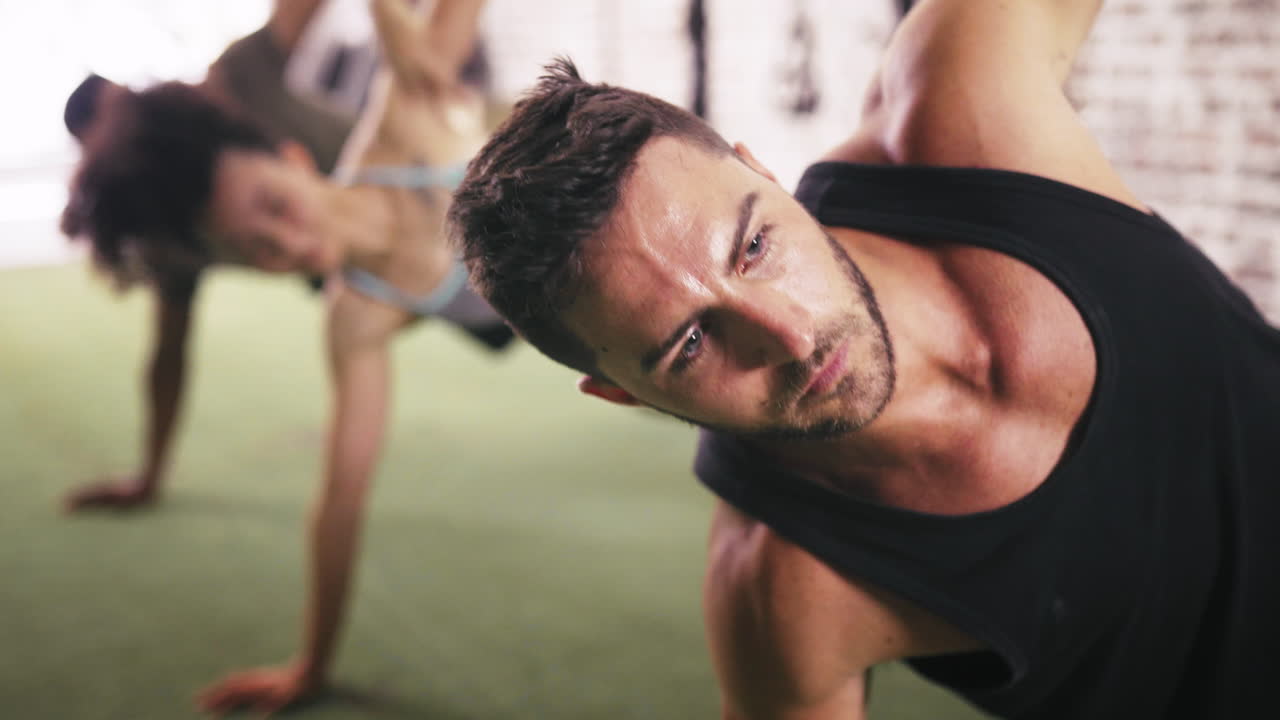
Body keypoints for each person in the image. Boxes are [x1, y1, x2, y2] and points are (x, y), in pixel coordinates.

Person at [447, 0, 1279, 717]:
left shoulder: (964, 105)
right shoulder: (791, 599)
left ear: (760, 169)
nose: (790, 334)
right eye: (691, 344)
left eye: (755, 246)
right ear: (621, 393)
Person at [62, 0, 511, 713]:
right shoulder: (355, 316)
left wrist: (398, 24)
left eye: (276, 207)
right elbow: (341, 498)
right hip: (552, 315)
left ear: (295, 157)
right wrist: (312, 663)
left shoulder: (410, 111)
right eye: (259, 252)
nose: (294, 247)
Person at [61, 0, 354, 512]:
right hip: (367, 277)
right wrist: (149, 475)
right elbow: (168, 350)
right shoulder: (171, 226)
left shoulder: (241, 70)